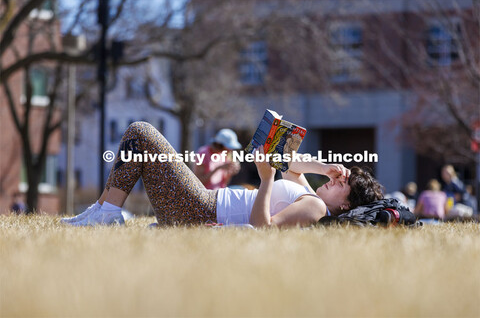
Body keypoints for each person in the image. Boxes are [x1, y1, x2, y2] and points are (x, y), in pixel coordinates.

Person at [61, 122, 384, 228]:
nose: (340, 179)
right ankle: (104, 209)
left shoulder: (316, 209)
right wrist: (324, 168)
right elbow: (289, 162)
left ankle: (107, 212)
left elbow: (264, 229)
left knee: (141, 133)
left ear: (345, 206)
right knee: (140, 139)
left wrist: (267, 179)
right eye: (343, 176)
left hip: (200, 206)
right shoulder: (311, 196)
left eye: (345, 185)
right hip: (199, 204)